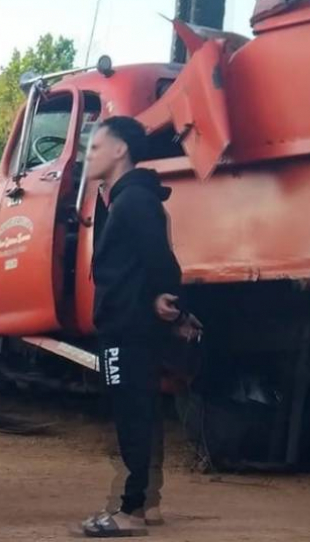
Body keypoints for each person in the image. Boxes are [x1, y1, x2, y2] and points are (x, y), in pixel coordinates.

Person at [80, 116, 199, 538]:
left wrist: (170, 299)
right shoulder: (128, 199)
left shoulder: (133, 201)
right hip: (132, 320)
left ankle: (130, 511)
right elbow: (143, 263)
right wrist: (157, 297)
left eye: (95, 147)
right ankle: (147, 504)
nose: (86, 155)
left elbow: (160, 261)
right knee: (142, 412)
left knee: (132, 414)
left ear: (120, 151)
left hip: (125, 328)